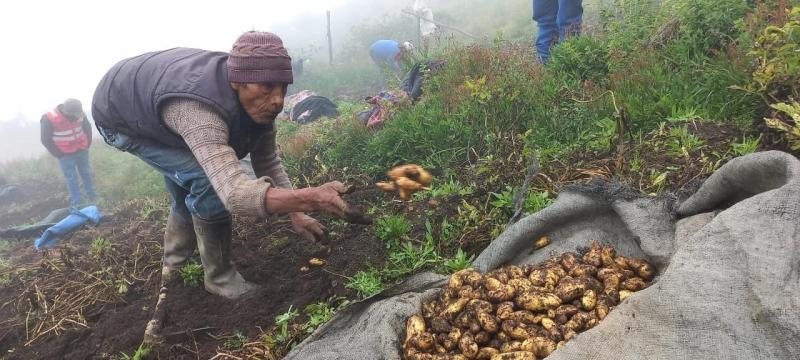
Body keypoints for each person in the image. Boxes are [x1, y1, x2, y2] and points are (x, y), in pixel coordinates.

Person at [92, 31, 357, 300]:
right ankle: (219, 278)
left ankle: (174, 261)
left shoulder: (258, 99)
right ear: (237, 82)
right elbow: (235, 195)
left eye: (283, 87)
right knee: (204, 179)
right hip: (119, 115)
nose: (278, 100)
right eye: (267, 87)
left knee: (190, 176)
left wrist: (297, 213)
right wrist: (308, 198)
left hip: (154, 95)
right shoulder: (197, 111)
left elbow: (266, 160)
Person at [40, 98, 97, 208]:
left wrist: (87, 144)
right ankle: (77, 202)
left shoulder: (79, 112)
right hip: (65, 155)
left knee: (86, 173)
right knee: (71, 178)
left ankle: (93, 197)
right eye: (74, 114)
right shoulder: (49, 118)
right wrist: (59, 154)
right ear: (67, 112)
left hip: (82, 150)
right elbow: (45, 139)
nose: (77, 116)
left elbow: (87, 127)